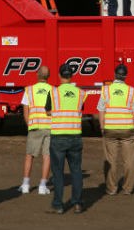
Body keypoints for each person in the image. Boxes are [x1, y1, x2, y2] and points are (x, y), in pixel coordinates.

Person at [46, 64, 86, 214]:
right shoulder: (80, 93)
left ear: (59, 75)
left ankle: (58, 204)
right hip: (75, 135)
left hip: (58, 136)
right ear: (72, 76)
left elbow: (48, 112)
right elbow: (80, 109)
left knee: (58, 172)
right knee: (76, 170)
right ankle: (77, 203)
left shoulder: (54, 92)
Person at [98, 63, 134, 195]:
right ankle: (127, 188)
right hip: (128, 130)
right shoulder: (131, 91)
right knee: (129, 160)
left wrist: (102, 127)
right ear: (126, 76)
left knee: (111, 160)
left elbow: (101, 110)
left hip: (110, 129)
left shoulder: (106, 90)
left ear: (114, 75)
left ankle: (111, 188)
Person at [19, 66, 53, 195]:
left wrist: (29, 125)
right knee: (47, 156)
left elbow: (25, 111)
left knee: (29, 155)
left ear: (37, 75)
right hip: (49, 127)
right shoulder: (53, 90)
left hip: (34, 126)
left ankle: (26, 185)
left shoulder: (29, 90)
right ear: (48, 76)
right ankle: (42, 186)